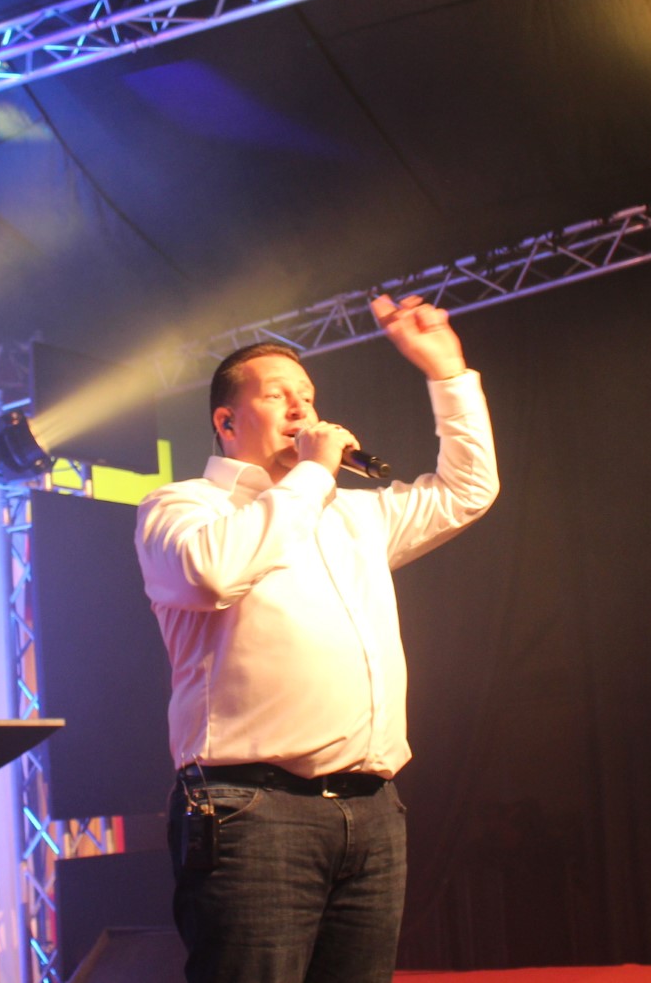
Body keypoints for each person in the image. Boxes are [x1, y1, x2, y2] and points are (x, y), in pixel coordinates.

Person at [135, 293, 499, 982]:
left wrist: (447, 373)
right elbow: (211, 574)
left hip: (372, 811)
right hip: (250, 810)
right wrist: (312, 473)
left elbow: (466, 491)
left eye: (308, 396)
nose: (303, 409)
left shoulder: (351, 516)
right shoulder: (183, 507)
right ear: (226, 420)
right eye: (280, 395)